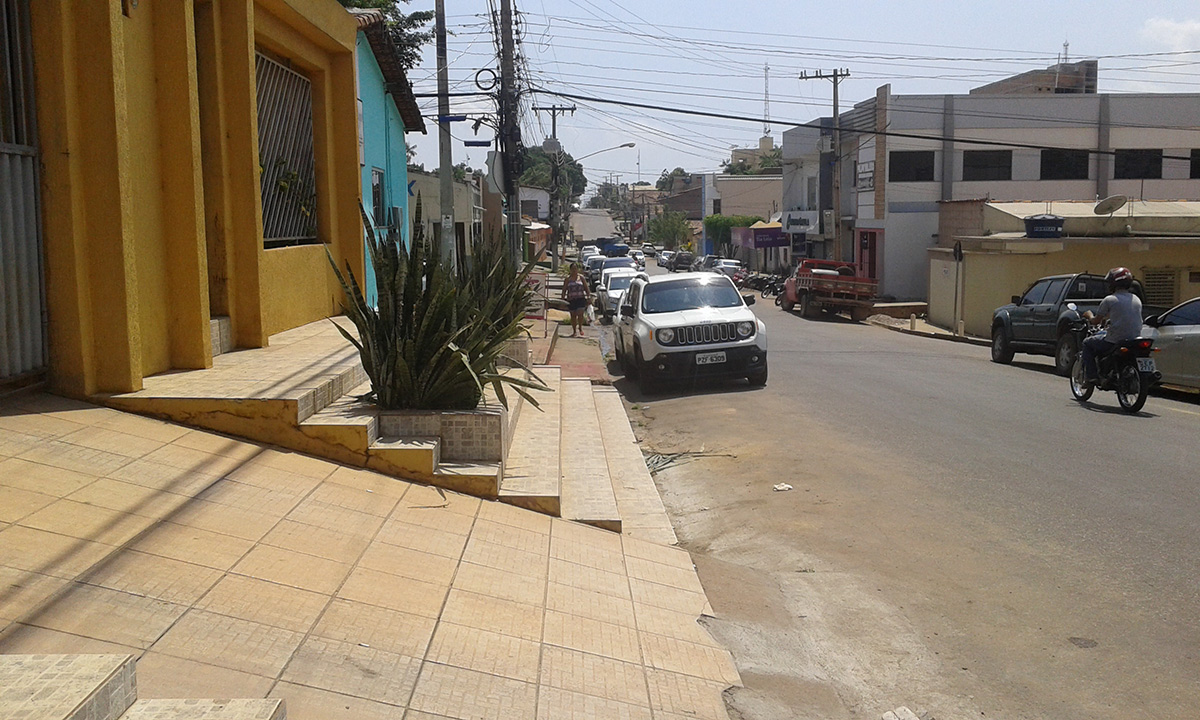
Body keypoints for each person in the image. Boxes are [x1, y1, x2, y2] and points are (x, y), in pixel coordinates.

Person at [1080, 267, 1143, 385]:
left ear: (1113, 284)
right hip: (1134, 339)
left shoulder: (1110, 300)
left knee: (1087, 343)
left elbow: (1095, 321)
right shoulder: (1136, 299)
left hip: (1115, 340)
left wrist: (1089, 315)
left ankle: (1092, 376)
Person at [561, 263, 591, 337]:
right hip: (571, 299)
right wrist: (562, 299)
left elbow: (586, 288)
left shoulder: (581, 278)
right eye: (573, 269)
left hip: (580, 299)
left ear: (578, 269)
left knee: (580, 313)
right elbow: (564, 290)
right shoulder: (568, 279)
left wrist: (589, 296)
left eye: (575, 269)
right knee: (573, 315)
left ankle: (580, 327)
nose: (574, 270)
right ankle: (574, 331)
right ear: (570, 270)